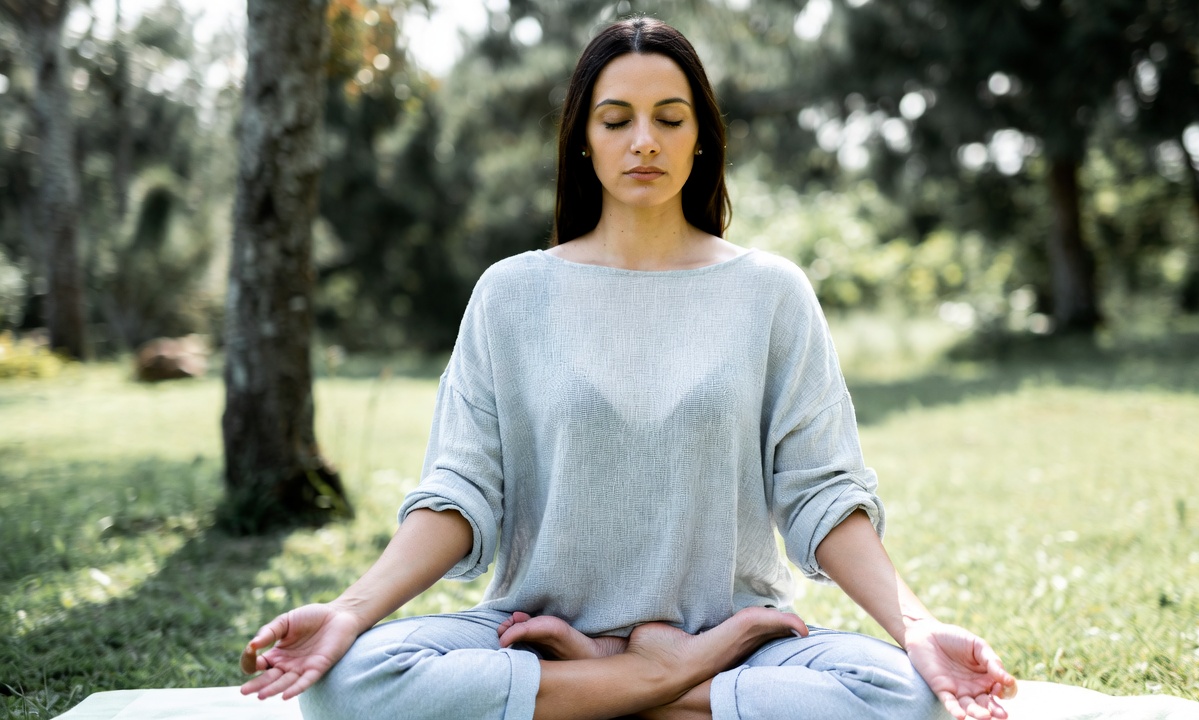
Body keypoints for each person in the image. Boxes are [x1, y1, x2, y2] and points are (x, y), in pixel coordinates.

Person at [240, 17, 1017, 720]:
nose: (644, 140)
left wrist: (916, 627)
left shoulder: (769, 293)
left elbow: (821, 493)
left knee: (905, 694)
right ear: (584, 138)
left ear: (700, 138)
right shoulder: (511, 294)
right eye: (617, 120)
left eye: (669, 120)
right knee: (352, 681)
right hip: (531, 634)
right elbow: (460, 493)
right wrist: (349, 611)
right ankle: (659, 683)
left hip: (738, 635)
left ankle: (630, 683)